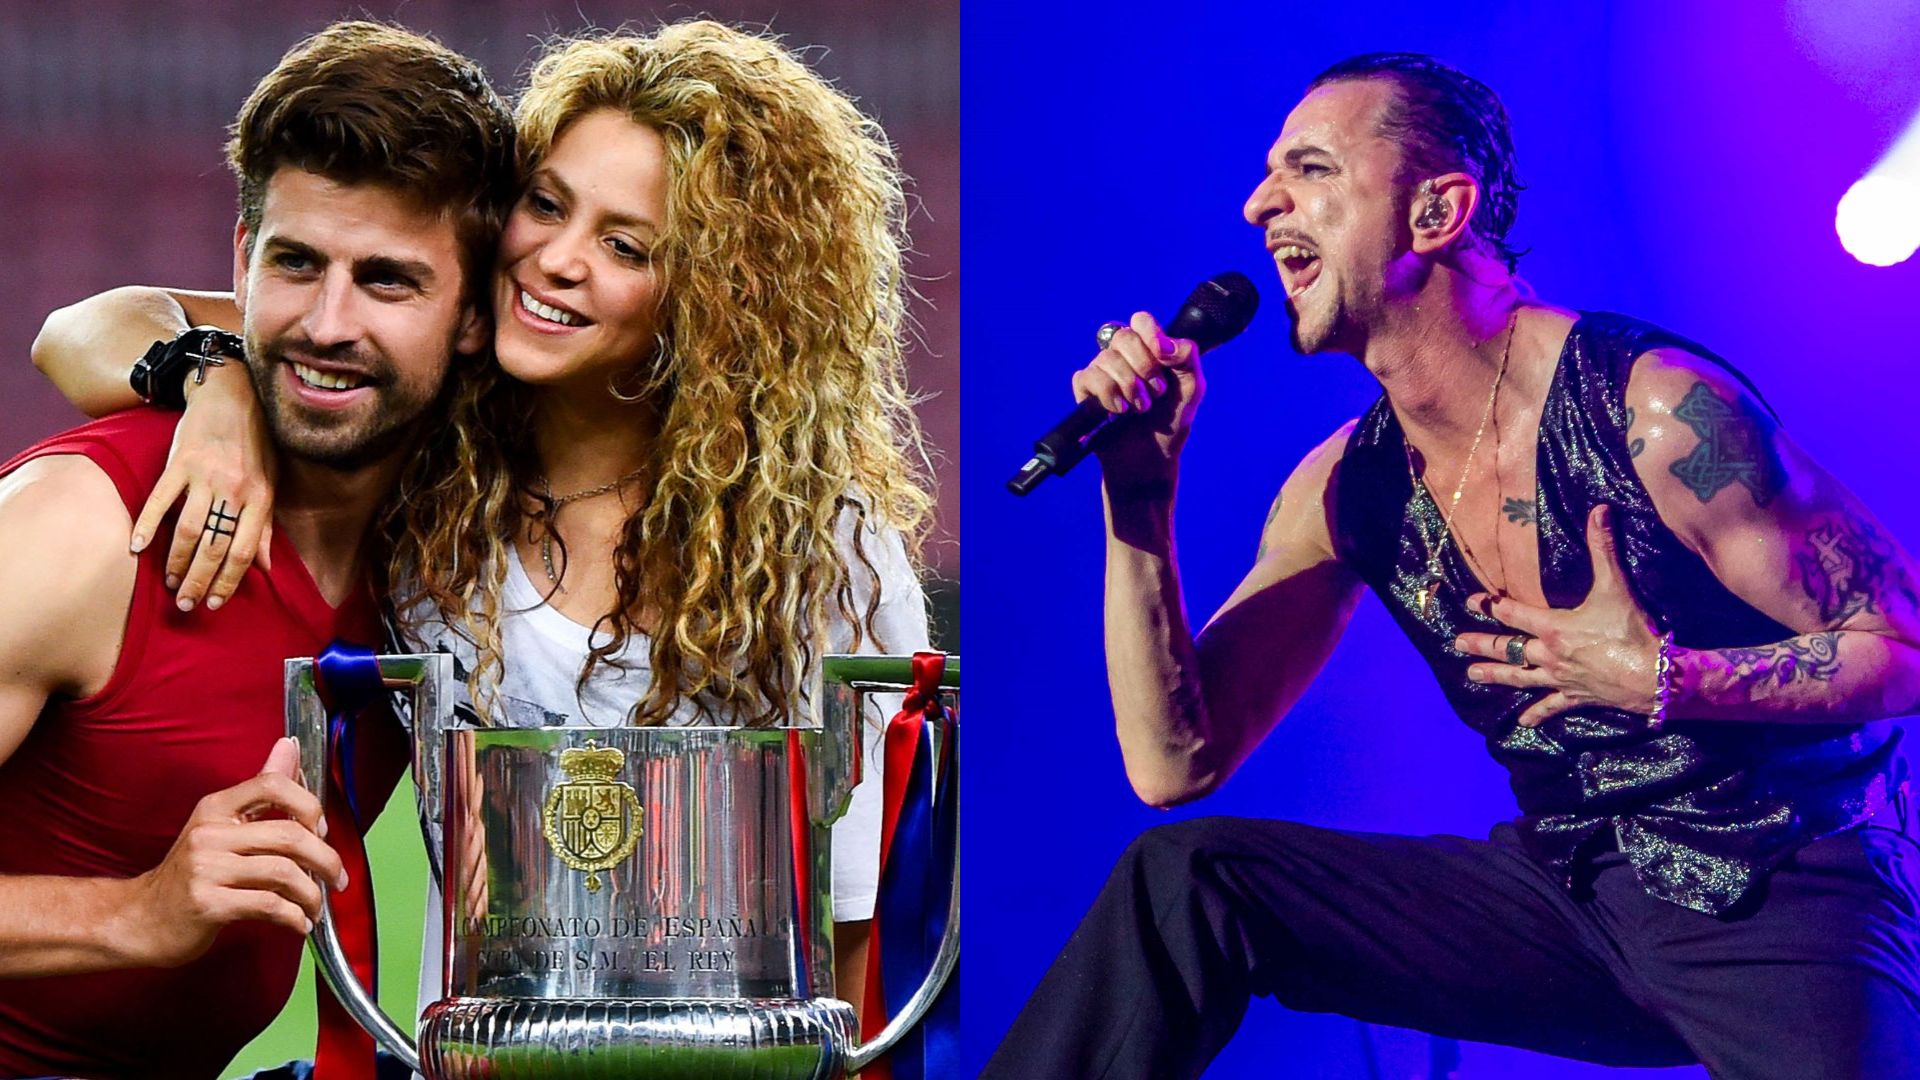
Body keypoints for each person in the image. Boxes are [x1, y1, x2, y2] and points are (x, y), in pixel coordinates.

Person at [983, 52, 1920, 1080]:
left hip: (1780, 882)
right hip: (1569, 890)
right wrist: (1140, 496)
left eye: (1311, 169)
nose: (1259, 205)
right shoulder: (1346, 488)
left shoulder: (1656, 410)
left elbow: (1903, 645)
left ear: (1437, 212)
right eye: (1269, 175)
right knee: (1189, 879)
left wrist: (1667, 676)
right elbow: (1174, 765)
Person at [33, 19, 933, 1027]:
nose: (555, 258)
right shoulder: (430, 451)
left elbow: (857, 926)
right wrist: (214, 385)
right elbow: (82, 328)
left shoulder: (812, 546)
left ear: (716, 297)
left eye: (625, 245)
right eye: (546, 204)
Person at [0, 21, 515, 1080]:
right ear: (241, 262)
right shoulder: (83, 527)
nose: (326, 323)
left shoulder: (444, 544)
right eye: (295, 263)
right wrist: (136, 914)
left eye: (388, 280)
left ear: (474, 315)